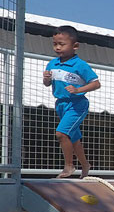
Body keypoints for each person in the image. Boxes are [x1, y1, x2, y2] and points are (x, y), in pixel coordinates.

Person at [42, 25, 100, 178]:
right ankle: (85, 164)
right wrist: (46, 79)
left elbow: (96, 83)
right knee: (73, 138)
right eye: (55, 44)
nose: (58, 47)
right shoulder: (52, 64)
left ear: (75, 46)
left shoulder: (80, 65)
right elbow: (48, 84)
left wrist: (78, 90)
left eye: (62, 44)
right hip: (61, 104)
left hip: (77, 104)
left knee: (61, 134)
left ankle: (69, 166)